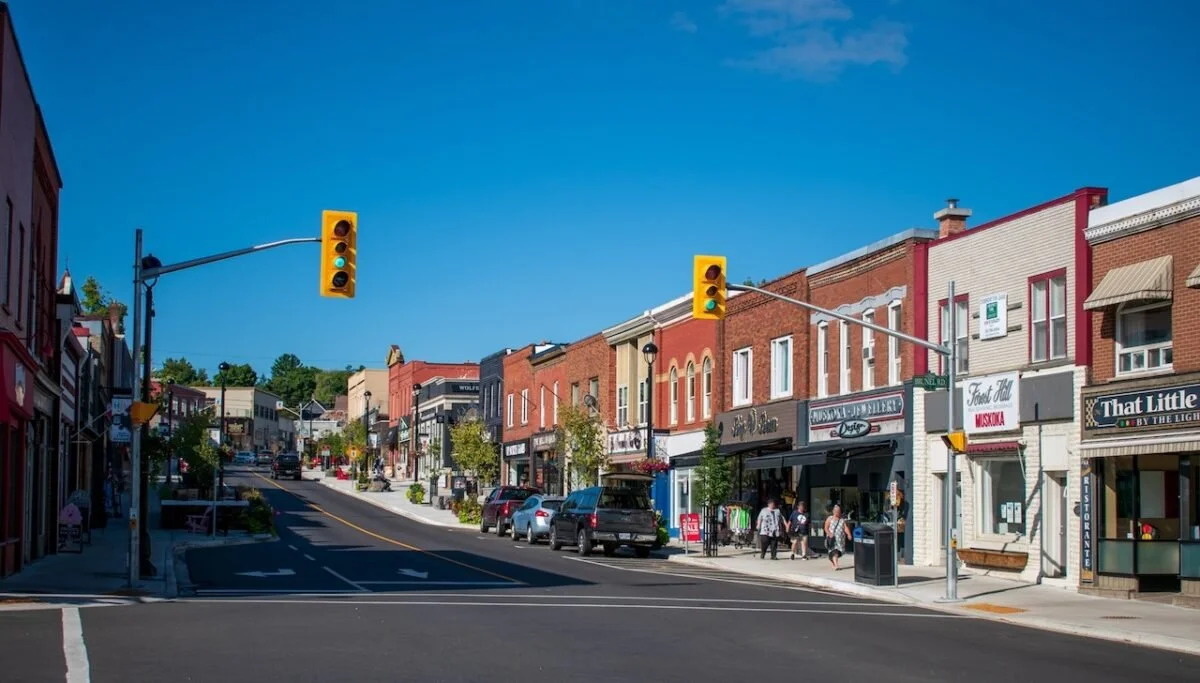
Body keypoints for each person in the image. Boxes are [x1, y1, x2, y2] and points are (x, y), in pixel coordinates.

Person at [824, 504, 850, 570]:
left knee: (836, 553)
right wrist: (829, 534)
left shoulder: (842, 520)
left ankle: (834, 563)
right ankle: (837, 565)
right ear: (833, 511)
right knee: (834, 551)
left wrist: (849, 534)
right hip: (832, 539)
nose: (836, 512)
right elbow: (826, 528)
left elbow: (845, 528)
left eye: (838, 511)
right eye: (835, 511)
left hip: (840, 540)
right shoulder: (829, 518)